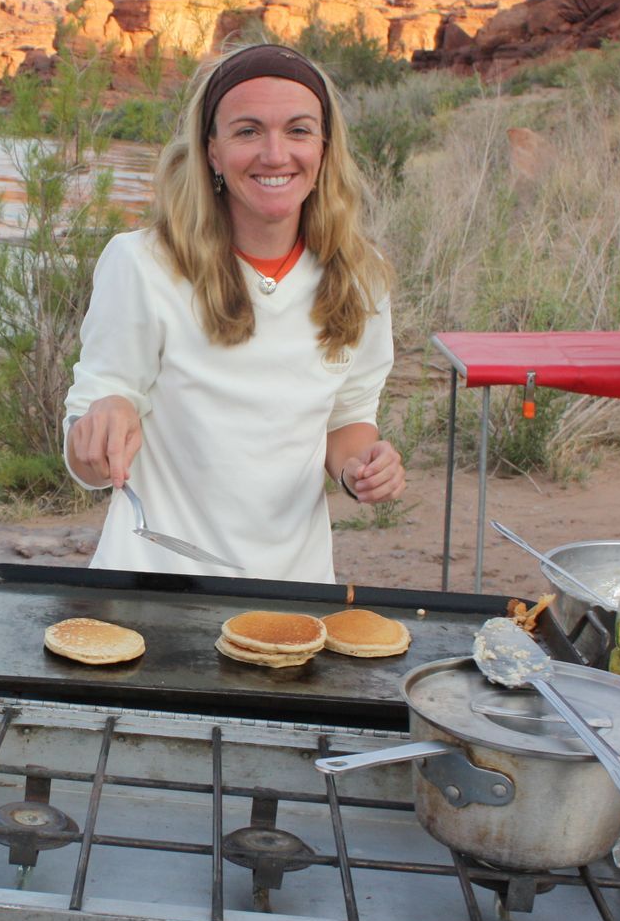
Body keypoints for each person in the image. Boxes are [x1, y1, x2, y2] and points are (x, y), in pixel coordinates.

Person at [62, 43, 405, 581]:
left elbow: (348, 420)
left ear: (324, 147)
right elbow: (90, 440)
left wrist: (362, 467)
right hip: (153, 583)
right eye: (247, 131)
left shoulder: (361, 275)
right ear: (212, 152)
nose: (275, 154)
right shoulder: (143, 264)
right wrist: (101, 428)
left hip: (294, 593)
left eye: (298, 130)